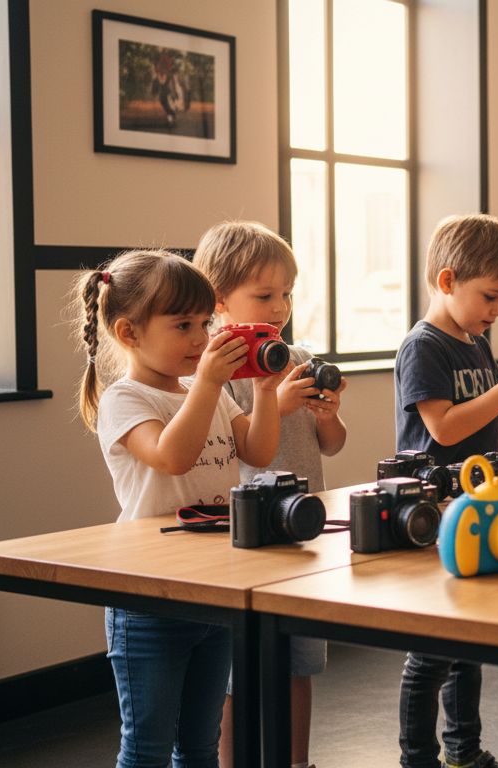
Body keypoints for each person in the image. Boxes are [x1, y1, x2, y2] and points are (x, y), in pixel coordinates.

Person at [71, 249, 282, 768]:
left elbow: (257, 451)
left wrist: (266, 391)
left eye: (205, 323)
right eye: (183, 324)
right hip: (148, 597)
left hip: (213, 587)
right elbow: (172, 457)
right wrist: (209, 385)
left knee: (199, 745)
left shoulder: (201, 391)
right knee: (146, 748)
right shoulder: (126, 399)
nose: (200, 338)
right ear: (129, 333)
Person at [396, 214, 498, 768]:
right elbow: (444, 427)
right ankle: (417, 758)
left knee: (467, 648)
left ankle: (463, 753)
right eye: (490, 296)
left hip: (479, 502)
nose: (496, 310)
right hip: (435, 508)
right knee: (430, 654)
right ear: (447, 281)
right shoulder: (425, 346)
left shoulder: (473, 342)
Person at [194, 220, 347, 768]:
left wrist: (327, 415)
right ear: (218, 299)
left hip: (305, 528)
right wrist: (274, 402)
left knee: (300, 662)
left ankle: (296, 761)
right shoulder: (218, 372)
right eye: (264, 295)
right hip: (252, 532)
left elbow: (332, 445)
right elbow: (226, 453)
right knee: (239, 672)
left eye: (286, 293)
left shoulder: (297, 355)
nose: (279, 306)